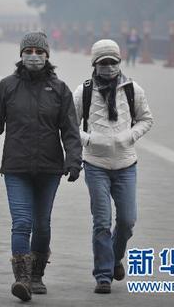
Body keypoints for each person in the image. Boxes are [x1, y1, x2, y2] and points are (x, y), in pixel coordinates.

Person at [0, 32, 83, 302]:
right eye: (29, 50)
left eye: (39, 51)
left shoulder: (59, 90)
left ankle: (36, 275)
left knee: (42, 224)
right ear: (21, 54)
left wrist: (74, 160)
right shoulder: (6, 87)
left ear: (47, 55)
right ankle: (21, 278)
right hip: (16, 167)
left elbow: (70, 130)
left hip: (49, 168)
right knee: (22, 222)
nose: (33, 55)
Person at [73, 39, 154, 294]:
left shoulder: (133, 90)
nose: (108, 68)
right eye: (103, 63)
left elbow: (146, 119)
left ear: (119, 62)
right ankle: (103, 275)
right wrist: (89, 139)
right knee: (102, 221)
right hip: (95, 164)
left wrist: (129, 136)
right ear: (94, 64)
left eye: (113, 62)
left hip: (126, 164)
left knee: (128, 220)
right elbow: (70, 127)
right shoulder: (83, 92)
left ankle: (115, 256)